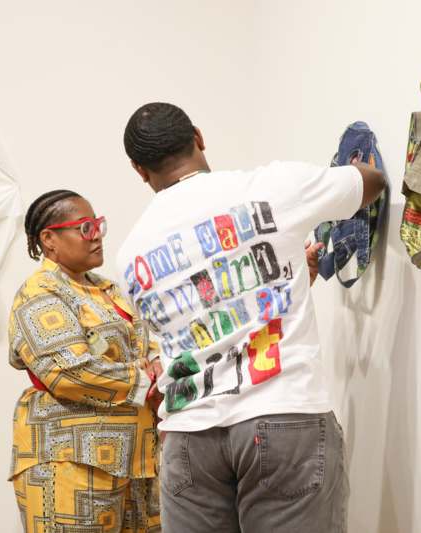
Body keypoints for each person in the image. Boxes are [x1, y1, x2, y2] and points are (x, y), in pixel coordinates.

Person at [116, 103, 386, 532]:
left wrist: (289, 276)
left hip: (189, 436)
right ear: (198, 137)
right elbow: (369, 183)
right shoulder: (270, 188)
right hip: (281, 413)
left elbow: (201, 318)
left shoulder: (130, 253)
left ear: (138, 169)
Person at [8, 190, 162, 533]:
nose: (97, 236)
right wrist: (148, 383)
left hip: (136, 458)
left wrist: (157, 362)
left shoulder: (108, 289)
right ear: (49, 239)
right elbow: (68, 371)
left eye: (98, 225)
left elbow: (146, 341)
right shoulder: (39, 293)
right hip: (71, 461)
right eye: (85, 228)